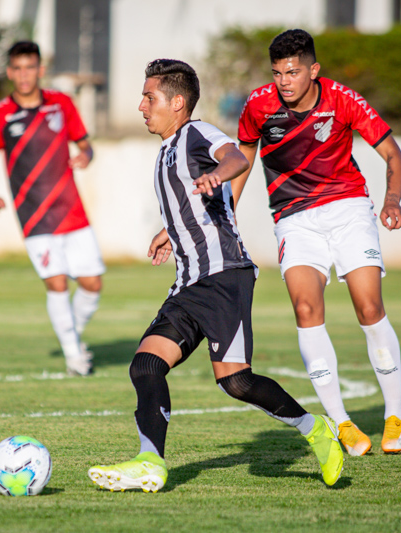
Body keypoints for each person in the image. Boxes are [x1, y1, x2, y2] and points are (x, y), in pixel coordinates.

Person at [87, 59, 343, 493]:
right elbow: (195, 203)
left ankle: (315, 428)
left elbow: (234, 158)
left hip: (224, 276)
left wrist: (218, 175)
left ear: (177, 102)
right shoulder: (167, 150)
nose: (141, 106)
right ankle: (151, 462)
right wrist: (170, 230)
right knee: (146, 366)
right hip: (189, 283)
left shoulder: (195, 133)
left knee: (236, 381)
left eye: (149, 97)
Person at [233, 29, 401, 456]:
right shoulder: (258, 105)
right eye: (277, 73)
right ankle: (342, 424)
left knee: (369, 307)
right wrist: (227, 213)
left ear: (313, 70)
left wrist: (391, 201)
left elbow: (394, 155)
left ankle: (396, 415)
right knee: (306, 309)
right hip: (293, 219)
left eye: (293, 72)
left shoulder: (344, 100)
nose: (284, 82)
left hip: (348, 210)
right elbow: (243, 157)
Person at [0, 41, 104, 376]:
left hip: (71, 210)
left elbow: (85, 145)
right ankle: (74, 355)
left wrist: (85, 157)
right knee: (57, 283)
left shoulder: (61, 104)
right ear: (9, 72)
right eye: (17, 68)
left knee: (92, 283)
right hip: (33, 215)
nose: (23, 75)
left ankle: (72, 334)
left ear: (40, 70)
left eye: (29, 67)